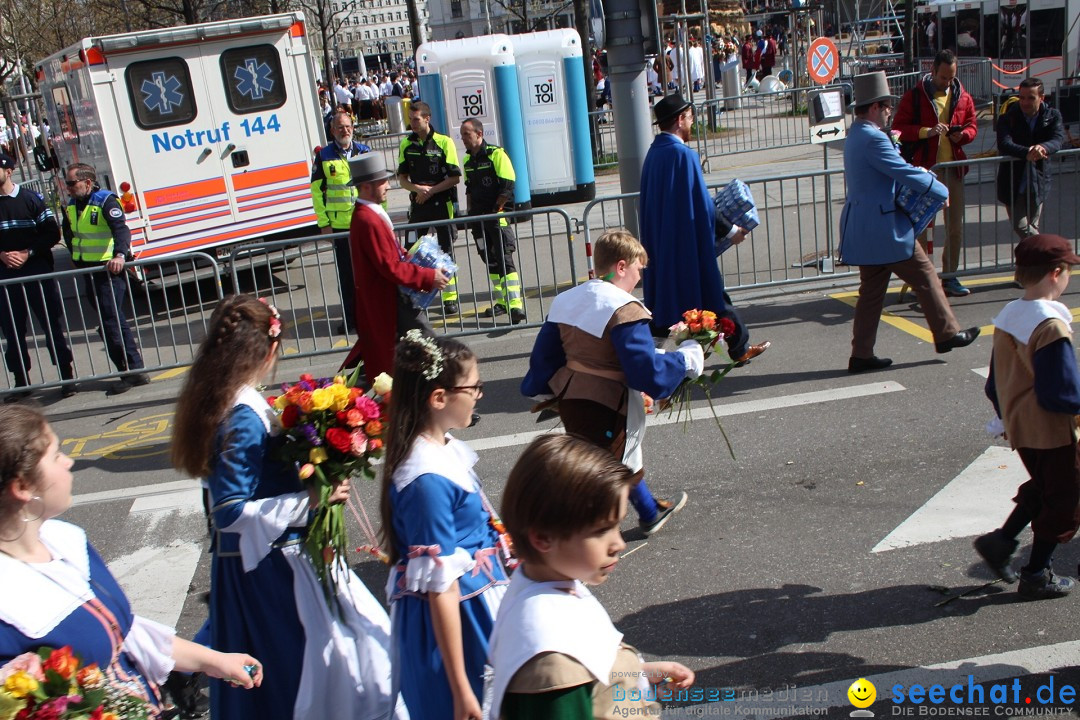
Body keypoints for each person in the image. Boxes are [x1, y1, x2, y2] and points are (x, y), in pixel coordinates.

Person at [171, 294, 404, 720]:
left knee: (339, 659)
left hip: (269, 561)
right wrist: (312, 498)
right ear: (268, 350)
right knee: (304, 671)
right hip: (269, 570)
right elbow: (229, 512)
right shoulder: (242, 416)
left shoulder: (230, 401)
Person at [0, 404, 263, 716]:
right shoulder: (7, 601)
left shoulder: (65, 540)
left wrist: (213, 660)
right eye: (57, 455)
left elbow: (123, 633)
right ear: (22, 487)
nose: (69, 462)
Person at [487, 434, 696, 719]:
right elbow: (565, 687)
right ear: (543, 538)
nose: (619, 544)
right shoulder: (548, 653)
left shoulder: (551, 585)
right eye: (601, 530)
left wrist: (638, 675)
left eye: (618, 525)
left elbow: (591, 673)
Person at [521, 229, 703, 536]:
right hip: (608, 401)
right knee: (604, 470)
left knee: (614, 458)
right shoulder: (624, 307)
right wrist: (685, 359)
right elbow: (645, 372)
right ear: (621, 266)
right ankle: (568, 539)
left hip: (572, 395)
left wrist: (547, 388)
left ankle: (649, 512)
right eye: (637, 270)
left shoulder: (567, 300)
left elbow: (545, 357)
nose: (638, 278)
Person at [380, 333, 509, 719]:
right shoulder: (426, 479)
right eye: (474, 388)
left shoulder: (441, 448)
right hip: (458, 619)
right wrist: (461, 689)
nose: (479, 396)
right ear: (439, 398)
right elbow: (441, 588)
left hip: (475, 598)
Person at [838, 72, 980, 374]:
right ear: (875, 107)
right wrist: (939, 190)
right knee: (926, 275)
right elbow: (901, 171)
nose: (891, 111)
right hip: (885, 227)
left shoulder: (857, 134)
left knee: (872, 292)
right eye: (888, 105)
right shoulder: (874, 137)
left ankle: (861, 354)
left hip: (866, 226)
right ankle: (947, 334)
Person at [976, 234, 1080, 600]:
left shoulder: (1010, 314)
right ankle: (1036, 573)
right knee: (1066, 500)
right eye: (1069, 271)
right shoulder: (1050, 325)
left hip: (1020, 423)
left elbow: (994, 383)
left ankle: (1001, 542)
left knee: (1046, 486)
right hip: (1051, 428)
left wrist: (1007, 417)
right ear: (1056, 273)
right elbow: (1063, 393)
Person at [639, 93, 770, 366]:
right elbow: (702, 204)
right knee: (710, 296)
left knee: (671, 303)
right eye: (689, 117)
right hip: (686, 246)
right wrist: (731, 229)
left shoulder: (653, 154)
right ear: (679, 120)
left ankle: (733, 347)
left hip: (662, 245)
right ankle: (736, 348)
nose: (692, 123)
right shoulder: (683, 155)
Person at [341, 152, 450, 380]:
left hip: (390, 303)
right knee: (426, 352)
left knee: (412, 358)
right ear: (367, 186)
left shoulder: (367, 214)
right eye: (382, 181)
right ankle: (448, 402)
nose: (388, 186)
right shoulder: (368, 219)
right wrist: (428, 277)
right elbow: (390, 266)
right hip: (391, 304)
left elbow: (391, 256)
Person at [892, 50, 978, 297]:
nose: (948, 82)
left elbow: (972, 125)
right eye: (943, 78)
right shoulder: (915, 96)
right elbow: (898, 129)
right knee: (921, 228)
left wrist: (964, 135)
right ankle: (923, 279)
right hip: (925, 173)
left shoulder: (962, 96)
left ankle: (949, 277)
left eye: (951, 77)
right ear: (933, 72)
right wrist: (925, 132)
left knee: (955, 227)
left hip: (953, 171)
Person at [61, 163, 149, 395]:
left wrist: (120, 255)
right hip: (88, 270)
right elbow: (69, 233)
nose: (67, 187)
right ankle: (131, 369)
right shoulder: (73, 204)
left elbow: (121, 230)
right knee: (109, 320)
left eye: (72, 183)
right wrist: (73, 256)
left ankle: (131, 371)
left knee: (111, 319)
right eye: (67, 183)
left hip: (108, 270)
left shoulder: (105, 201)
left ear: (87, 182)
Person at [0, 154, 76, 401]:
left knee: (51, 325)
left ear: (9, 170)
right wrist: (2, 255)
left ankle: (67, 376)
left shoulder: (31, 200)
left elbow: (52, 233)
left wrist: (27, 253)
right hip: (5, 280)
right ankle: (21, 381)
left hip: (37, 273)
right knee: (12, 331)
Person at [398, 101, 462, 316]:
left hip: (441, 204)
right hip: (418, 205)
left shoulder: (444, 142)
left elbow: (454, 178)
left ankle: (449, 297)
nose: (412, 123)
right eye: (410, 119)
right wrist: (418, 189)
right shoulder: (407, 144)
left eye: (416, 119)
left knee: (445, 251)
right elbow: (402, 179)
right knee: (413, 250)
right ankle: (413, 297)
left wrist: (431, 191)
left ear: (427, 118)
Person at [310, 109, 371, 334]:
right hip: (339, 227)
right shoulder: (324, 155)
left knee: (368, 274)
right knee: (346, 277)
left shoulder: (364, 151)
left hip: (364, 224)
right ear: (332, 130)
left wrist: (381, 218)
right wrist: (323, 223)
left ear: (353, 128)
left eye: (348, 126)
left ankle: (370, 317)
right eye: (340, 127)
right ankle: (350, 319)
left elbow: (375, 187)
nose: (345, 130)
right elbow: (316, 192)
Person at [460, 118, 525, 325]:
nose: (463, 138)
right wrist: (471, 215)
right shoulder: (468, 161)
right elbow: (469, 188)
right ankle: (502, 302)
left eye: (466, 134)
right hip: (478, 220)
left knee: (504, 257)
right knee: (489, 259)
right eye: (462, 134)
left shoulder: (497, 154)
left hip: (496, 218)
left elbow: (507, 187)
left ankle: (515, 305)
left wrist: (495, 212)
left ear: (479, 134)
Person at [996, 77, 1065, 241]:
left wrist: (1043, 147)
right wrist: (1027, 152)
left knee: (1032, 229)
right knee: (1020, 227)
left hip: (1037, 181)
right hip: (1013, 182)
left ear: (1041, 98)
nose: (1025, 102)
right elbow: (1004, 143)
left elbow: (1058, 139)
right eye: (1022, 97)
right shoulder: (1008, 116)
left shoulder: (1052, 115)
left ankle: (1034, 263)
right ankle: (1048, 251)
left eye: (1031, 98)